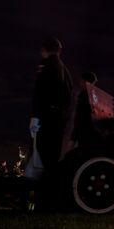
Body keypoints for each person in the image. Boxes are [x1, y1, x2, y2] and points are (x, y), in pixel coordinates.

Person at [29, 37, 73, 170]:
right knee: (53, 157)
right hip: (59, 118)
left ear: (44, 50)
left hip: (45, 116)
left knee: (41, 155)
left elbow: (41, 91)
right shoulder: (65, 70)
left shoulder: (46, 64)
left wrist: (35, 116)